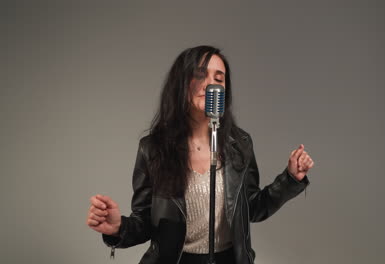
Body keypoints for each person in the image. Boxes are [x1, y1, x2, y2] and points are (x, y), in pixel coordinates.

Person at [86, 45, 314, 264]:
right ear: (181, 84)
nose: (210, 84)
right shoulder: (153, 148)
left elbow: (251, 208)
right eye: (200, 75)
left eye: (218, 78)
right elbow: (146, 221)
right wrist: (118, 228)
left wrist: (290, 179)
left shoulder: (240, 144)